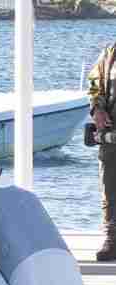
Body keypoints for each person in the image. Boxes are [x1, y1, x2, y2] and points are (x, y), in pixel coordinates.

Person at [87, 42, 116, 261]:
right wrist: (97, 108)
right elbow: (95, 83)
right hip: (111, 134)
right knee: (109, 186)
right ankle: (112, 238)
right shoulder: (109, 53)